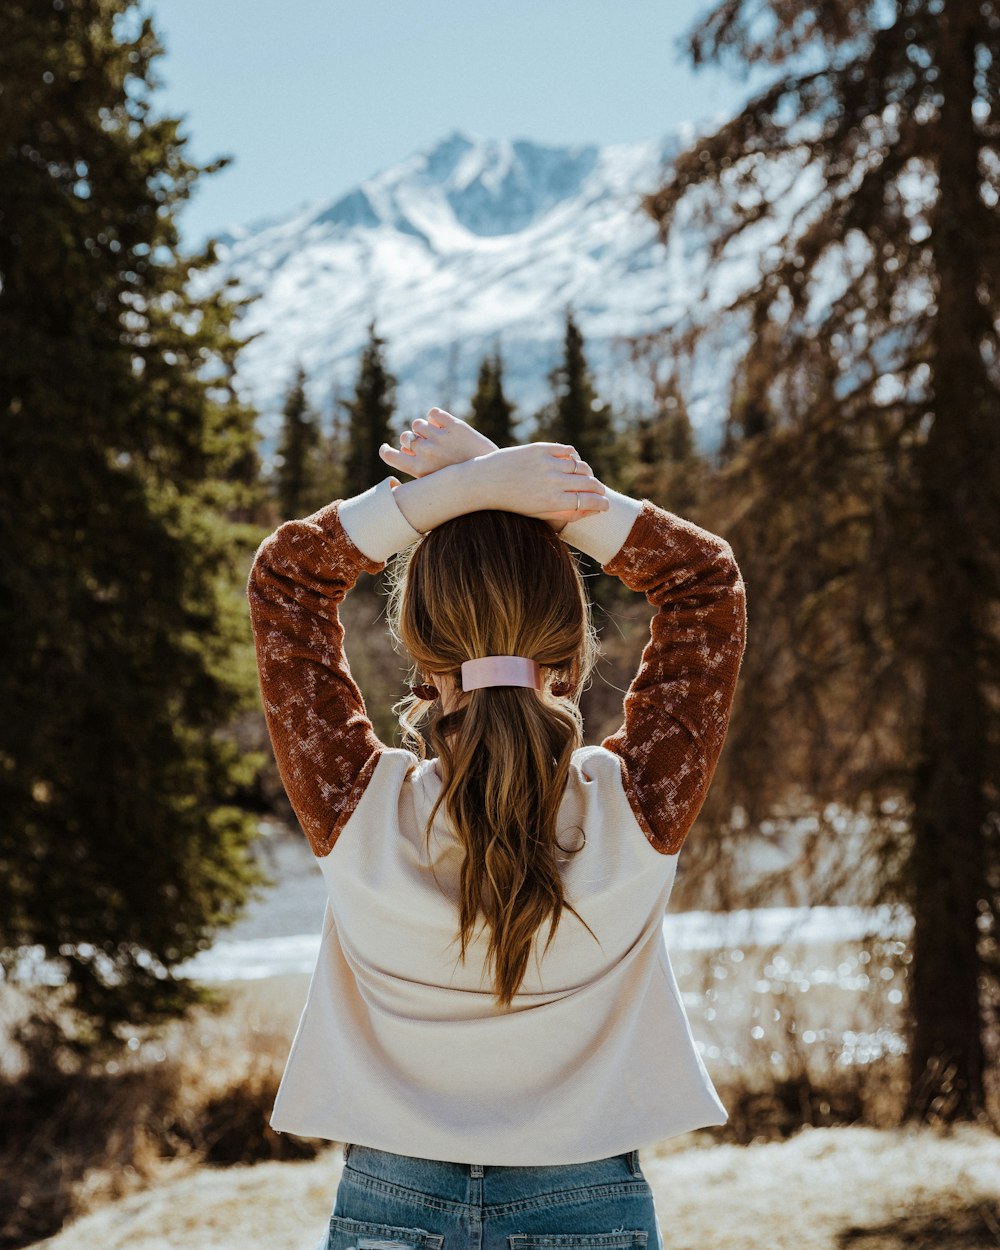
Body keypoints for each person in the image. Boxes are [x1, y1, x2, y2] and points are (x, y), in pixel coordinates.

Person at [246, 409, 747, 1250]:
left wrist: (463, 488)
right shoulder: (637, 807)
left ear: (420, 655)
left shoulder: (353, 806)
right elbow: (704, 582)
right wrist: (527, 484)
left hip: (389, 1204)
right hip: (588, 1206)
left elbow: (287, 582)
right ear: (570, 653)